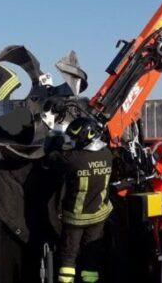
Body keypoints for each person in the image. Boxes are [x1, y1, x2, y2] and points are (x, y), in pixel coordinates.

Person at [51, 117, 113, 283]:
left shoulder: (73, 159)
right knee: (91, 254)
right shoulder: (107, 155)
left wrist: (55, 143)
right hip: (99, 215)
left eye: (74, 137)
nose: (72, 141)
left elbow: (53, 160)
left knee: (68, 256)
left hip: (76, 218)